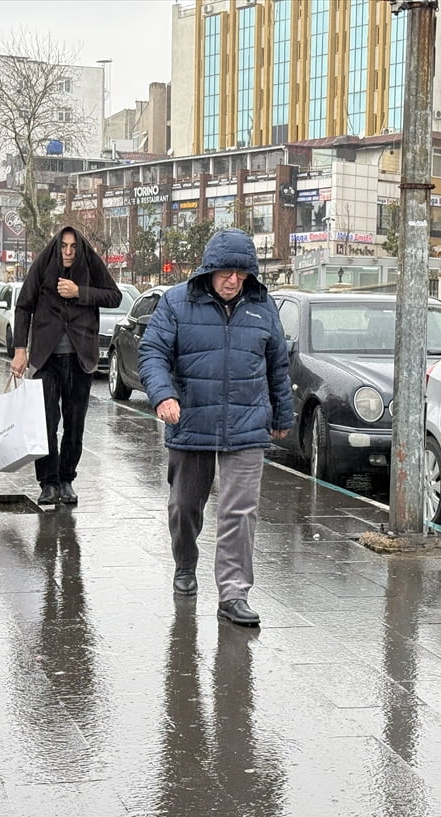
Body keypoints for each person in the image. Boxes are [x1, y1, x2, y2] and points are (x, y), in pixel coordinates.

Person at [138, 228, 294, 627]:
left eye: (241, 275)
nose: (233, 281)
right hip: (191, 418)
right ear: (209, 270)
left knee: (240, 512)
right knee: (185, 506)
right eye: (226, 272)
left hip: (246, 424)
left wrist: (282, 415)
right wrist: (163, 395)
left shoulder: (263, 307)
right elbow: (153, 352)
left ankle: (233, 593)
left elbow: (277, 365)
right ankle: (185, 564)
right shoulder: (176, 302)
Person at [10, 225, 121, 506]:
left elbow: (114, 296)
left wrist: (79, 292)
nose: (69, 252)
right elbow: (23, 306)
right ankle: (48, 483)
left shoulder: (89, 263)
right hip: (46, 359)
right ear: (57, 246)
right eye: (64, 247)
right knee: (46, 423)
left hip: (80, 358)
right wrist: (20, 350)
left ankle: (67, 479)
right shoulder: (43, 264)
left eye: (73, 247)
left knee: (75, 424)